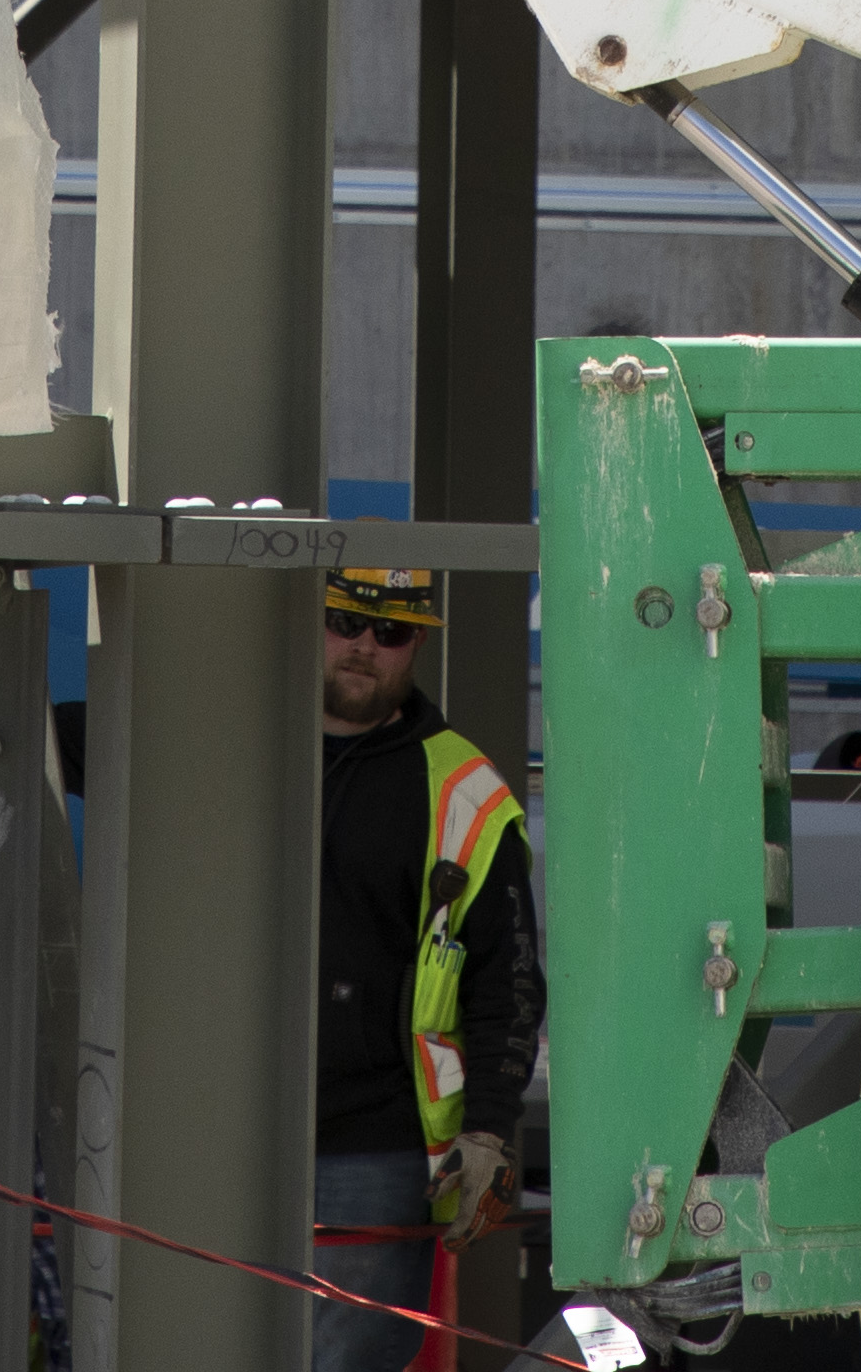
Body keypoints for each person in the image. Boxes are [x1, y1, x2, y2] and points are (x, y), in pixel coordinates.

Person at [311, 562, 537, 1372]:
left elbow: (506, 983)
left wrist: (487, 1130)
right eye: (346, 622)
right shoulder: (233, 736)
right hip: (213, 1124)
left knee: (343, 1362)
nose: (366, 647)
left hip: (373, 1146)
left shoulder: (461, 791)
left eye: (393, 632)